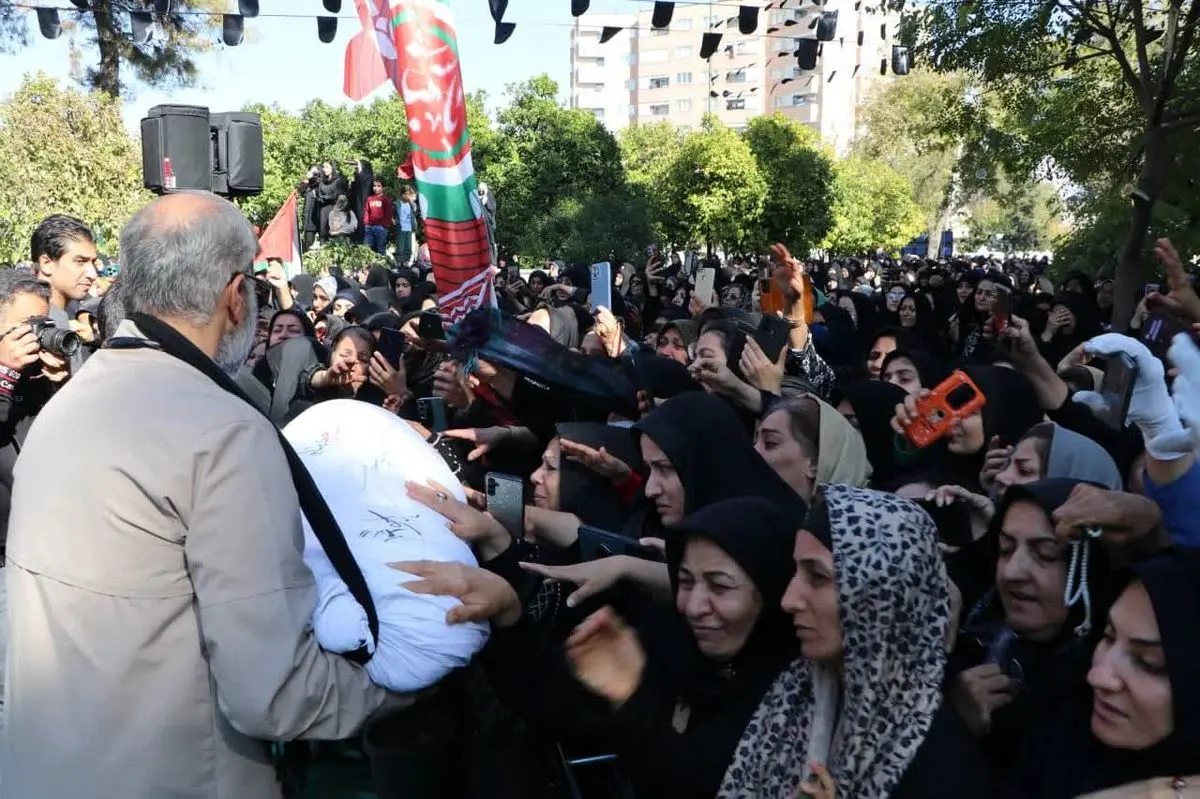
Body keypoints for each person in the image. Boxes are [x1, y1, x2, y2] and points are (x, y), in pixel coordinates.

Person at [2, 192, 402, 798]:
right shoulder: (225, 433)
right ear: (236, 295)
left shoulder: (70, 403)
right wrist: (407, 684)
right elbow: (275, 694)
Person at [718, 485, 989, 798]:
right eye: (796, 572)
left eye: (817, 577)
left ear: (883, 596)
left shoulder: (937, 758)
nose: (789, 600)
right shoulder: (794, 691)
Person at [30, 213, 98, 374]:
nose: (92, 274)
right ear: (46, 263)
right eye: (80, 261)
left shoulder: (61, 317)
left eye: (93, 262)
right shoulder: (24, 322)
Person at [362, 179, 394, 256]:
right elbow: (367, 211)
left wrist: (384, 225)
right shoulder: (369, 198)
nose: (376, 188)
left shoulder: (386, 199)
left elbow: (389, 214)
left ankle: (381, 266)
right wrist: (366, 222)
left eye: (379, 186)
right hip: (369, 227)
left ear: (383, 187)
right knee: (366, 248)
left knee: (381, 249)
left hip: (381, 228)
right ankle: (367, 266)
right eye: (374, 186)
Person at [395, 186, 417, 267]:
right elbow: (391, 212)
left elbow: (415, 211)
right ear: (401, 195)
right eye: (404, 194)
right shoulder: (396, 203)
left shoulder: (412, 204)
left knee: (408, 246)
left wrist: (411, 201)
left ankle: (406, 262)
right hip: (400, 227)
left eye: (408, 194)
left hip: (409, 228)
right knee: (400, 246)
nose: (406, 196)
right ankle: (399, 261)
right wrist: (393, 220)